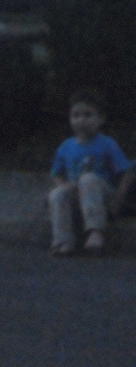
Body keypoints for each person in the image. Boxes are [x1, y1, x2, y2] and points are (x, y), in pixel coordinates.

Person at [48, 89, 134, 256]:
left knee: (87, 179)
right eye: (76, 115)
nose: (81, 120)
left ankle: (96, 232)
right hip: (78, 194)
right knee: (57, 194)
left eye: (88, 115)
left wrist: (118, 200)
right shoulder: (66, 146)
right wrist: (65, 186)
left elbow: (127, 172)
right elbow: (56, 173)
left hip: (101, 195)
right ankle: (63, 241)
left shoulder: (106, 143)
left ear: (100, 119)